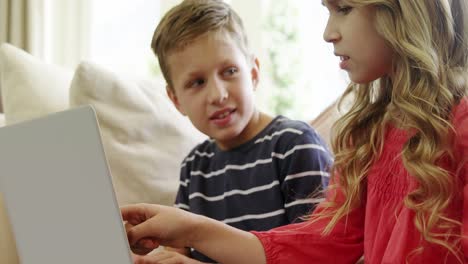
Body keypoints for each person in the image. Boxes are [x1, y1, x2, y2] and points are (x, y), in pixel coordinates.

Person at [121, 0, 468, 263]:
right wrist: (185, 227)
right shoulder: (367, 136)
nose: (328, 32)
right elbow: (319, 241)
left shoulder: (460, 127)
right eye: (196, 82)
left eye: (343, 8)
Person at [135, 0, 333, 262]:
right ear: (176, 100)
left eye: (229, 71)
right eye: (197, 82)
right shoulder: (194, 167)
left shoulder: (295, 145)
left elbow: (316, 255)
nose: (218, 94)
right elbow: (178, 250)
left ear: (253, 73)